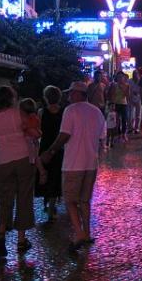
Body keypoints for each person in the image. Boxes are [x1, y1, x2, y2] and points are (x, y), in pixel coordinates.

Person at [40, 81, 106, 252]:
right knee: (85, 200)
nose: (68, 97)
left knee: (70, 200)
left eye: (71, 93)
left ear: (78, 94)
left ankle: (79, 234)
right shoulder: (96, 111)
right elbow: (101, 136)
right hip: (91, 163)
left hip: (73, 163)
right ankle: (87, 232)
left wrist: (50, 151)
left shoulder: (71, 111)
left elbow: (64, 135)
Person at [0, 86, 36, 258]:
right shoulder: (18, 114)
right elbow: (31, 131)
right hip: (22, 158)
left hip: (3, 162)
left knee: (4, 199)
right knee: (23, 197)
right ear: (10, 99)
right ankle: (21, 240)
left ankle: (1, 233)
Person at [36, 85, 64, 222]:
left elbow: (38, 129)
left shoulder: (42, 112)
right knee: (56, 176)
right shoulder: (63, 112)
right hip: (59, 147)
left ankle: (46, 204)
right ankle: (52, 206)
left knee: (46, 176)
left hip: (45, 147)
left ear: (46, 97)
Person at [19, 98, 48, 186]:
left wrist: (24, 127)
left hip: (30, 141)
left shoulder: (29, 118)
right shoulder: (35, 116)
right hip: (34, 141)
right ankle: (40, 171)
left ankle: (42, 172)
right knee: (35, 157)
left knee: (34, 158)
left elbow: (28, 129)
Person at [108, 72, 130, 141]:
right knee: (116, 120)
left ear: (124, 78)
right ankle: (118, 134)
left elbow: (127, 95)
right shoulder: (113, 85)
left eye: (121, 77)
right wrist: (111, 104)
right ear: (116, 78)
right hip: (116, 104)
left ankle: (124, 134)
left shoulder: (127, 85)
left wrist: (122, 87)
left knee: (124, 119)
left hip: (123, 104)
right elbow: (111, 95)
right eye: (118, 77)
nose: (120, 78)